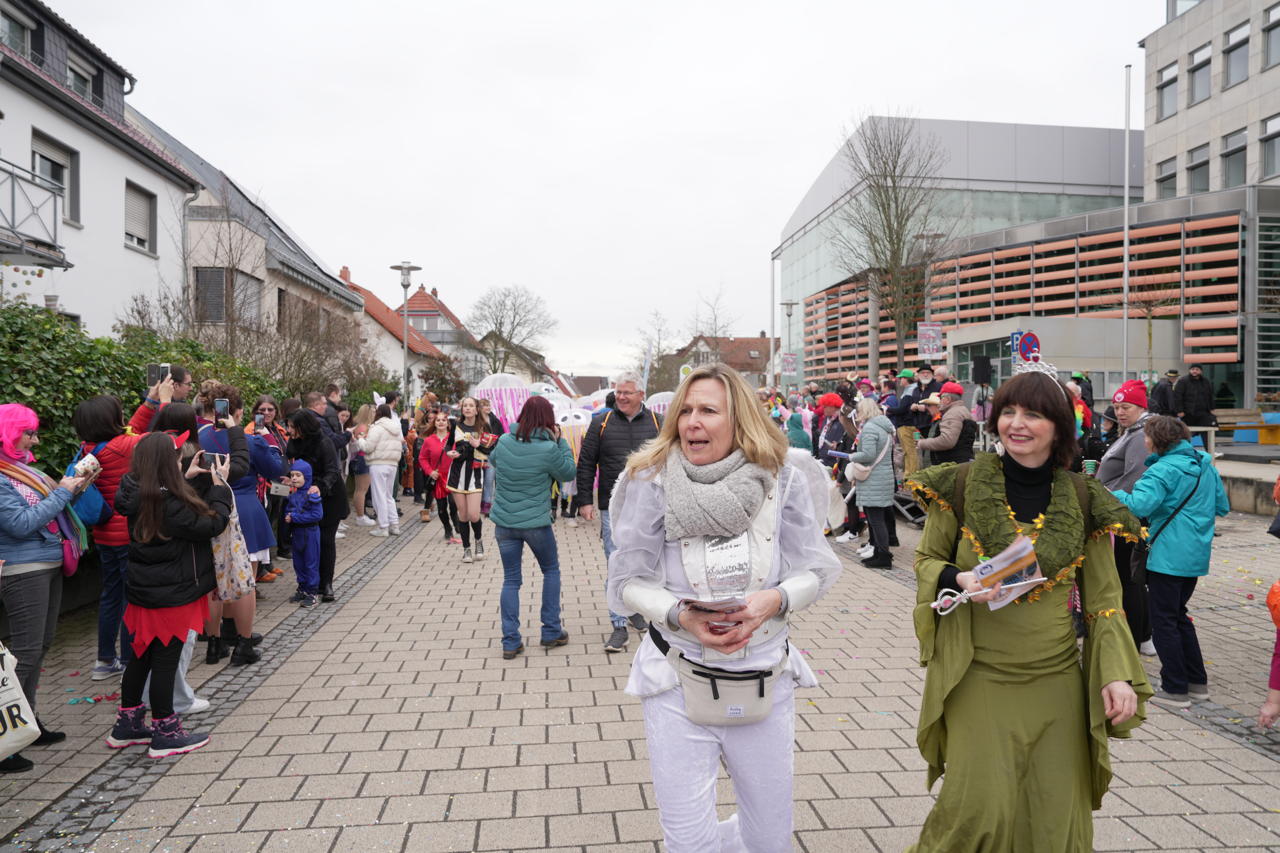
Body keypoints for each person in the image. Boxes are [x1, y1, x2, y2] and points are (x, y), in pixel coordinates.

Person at [905, 370, 1150, 851]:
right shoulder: (958, 484)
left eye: (1033, 414)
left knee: (1055, 815)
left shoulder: (1086, 500)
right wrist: (960, 578)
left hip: (1056, 682)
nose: (1017, 424)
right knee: (975, 813)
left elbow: (1104, 603)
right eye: (1008, 412)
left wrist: (1116, 674)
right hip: (978, 677)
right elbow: (925, 560)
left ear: (1059, 426)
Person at [605, 363, 842, 852]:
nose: (693, 421)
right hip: (677, 678)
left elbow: (814, 570)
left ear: (740, 419)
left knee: (769, 832)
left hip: (764, 678)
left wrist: (773, 600)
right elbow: (627, 579)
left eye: (709, 410)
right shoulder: (650, 481)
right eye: (685, 410)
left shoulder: (784, 477)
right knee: (688, 839)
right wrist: (680, 615)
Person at [109, 433, 232, 758]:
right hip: (170, 593)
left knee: (142, 658)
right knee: (164, 662)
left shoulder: (139, 490)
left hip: (144, 592)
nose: (181, 459)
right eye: (176, 457)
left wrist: (184, 478)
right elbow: (212, 524)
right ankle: (165, 731)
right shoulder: (168, 502)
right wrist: (220, 489)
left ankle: (128, 725)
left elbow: (168, 500)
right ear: (166, 462)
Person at [1110, 416, 1228, 708]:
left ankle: (1175, 688)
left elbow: (1139, 505)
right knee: (1178, 616)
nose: (1145, 442)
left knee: (1164, 620)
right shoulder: (1204, 465)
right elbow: (1222, 506)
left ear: (1158, 440)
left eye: (1147, 437)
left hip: (1167, 556)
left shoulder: (1162, 470)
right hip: (1196, 554)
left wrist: (1109, 493)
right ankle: (1196, 683)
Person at [0, 404, 91, 772]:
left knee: (40, 646)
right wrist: (63, 493)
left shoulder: (23, 471)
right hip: (23, 570)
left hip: (47, 565)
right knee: (25, 651)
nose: (35, 439)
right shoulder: (4, 478)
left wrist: (76, 488)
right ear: (8, 433)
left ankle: (28, 723)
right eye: (29, 433)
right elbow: (21, 524)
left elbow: (53, 510)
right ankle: (7, 740)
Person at [73, 389, 168, 681]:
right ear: (112, 419)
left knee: (111, 594)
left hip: (103, 535)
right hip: (127, 534)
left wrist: (150, 402)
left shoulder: (89, 448)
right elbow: (157, 440)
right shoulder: (126, 446)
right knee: (132, 597)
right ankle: (129, 658)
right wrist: (163, 405)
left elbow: (134, 429)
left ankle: (104, 660)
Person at [574, 372, 661, 653]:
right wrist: (583, 500)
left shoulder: (658, 423)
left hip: (649, 507)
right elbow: (586, 463)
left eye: (627, 392)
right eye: (618, 392)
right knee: (616, 562)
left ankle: (636, 609)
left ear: (641, 395)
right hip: (612, 507)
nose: (621, 397)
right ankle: (618, 625)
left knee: (646, 563)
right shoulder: (602, 422)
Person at [487, 397, 577, 659]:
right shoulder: (550, 448)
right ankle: (550, 631)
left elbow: (493, 461)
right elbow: (568, 473)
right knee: (550, 570)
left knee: (511, 580)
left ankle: (510, 641)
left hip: (504, 522)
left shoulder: (504, 441)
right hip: (536, 523)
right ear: (548, 420)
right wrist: (561, 442)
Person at [196, 384, 278, 665]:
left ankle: (215, 642)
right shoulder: (246, 440)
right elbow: (276, 469)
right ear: (238, 413)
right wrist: (265, 437)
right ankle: (243, 643)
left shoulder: (195, 438)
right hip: (243, 507)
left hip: (207, 506)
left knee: (213, 580)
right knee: (245, 581)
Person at [1096, 380, 1156, 656]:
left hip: (1126, 516)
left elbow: (1134, 477)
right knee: (1129, 577)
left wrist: (1104, 493)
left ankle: (1136, 637)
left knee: (1128, 577)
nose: (1119, 412)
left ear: (1140, 407)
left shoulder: (1141, 434)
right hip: (1121, 511)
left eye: (1126, 407)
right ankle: (1141, 635)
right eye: (1117, 407)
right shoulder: (1131, 431)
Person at [285, 409, 349, 602]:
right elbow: (291, 465)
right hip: (304, 499)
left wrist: (319, 486)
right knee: (308, 543)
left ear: (302, 427)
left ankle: (326, 584)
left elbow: (332, 470)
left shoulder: (323, 442)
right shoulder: (294, 443)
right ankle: (308, 584)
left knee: (326, 540)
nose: (288, 430)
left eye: (291, 426)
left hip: (329, 497)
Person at [848, 397, 896, 569]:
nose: (857, 414)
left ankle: (883, 556)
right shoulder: (885, 427)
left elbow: (868, 454)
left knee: (875, 519)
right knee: (878, 517)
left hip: (873, 478)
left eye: (859, 410)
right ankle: (879, 552)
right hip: (883, 477)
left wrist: (851, 456)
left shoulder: (869, 428)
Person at [446, 397, 495, 562]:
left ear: (476, 409)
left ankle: (479, 541)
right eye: (465, 405)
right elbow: (449, 445)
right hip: (457, 473)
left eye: (470, 406)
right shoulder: (455, 426)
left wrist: (477, 446)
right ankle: (466, 549)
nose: (467, 408)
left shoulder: (483, 427)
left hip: (475, 473)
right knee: (464, 514)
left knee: (474, 514)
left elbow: (491, 450)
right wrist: (449, 453)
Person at [283, 460, 323, 607]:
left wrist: (294, 517)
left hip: (310, 533)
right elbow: (289, 508)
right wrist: (288, 515)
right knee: (298, 562)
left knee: (311, 562)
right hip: (297, 533)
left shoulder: (312, 494)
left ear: (306, 477)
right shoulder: (293, 495)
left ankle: (312, 592)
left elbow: (317, 515)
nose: (294, 478)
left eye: (298, 475)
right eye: (292, 475)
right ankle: (303, 588)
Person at [362, 403, 404, 537]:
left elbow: (368, 447)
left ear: (378, 413)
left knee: (378, 495)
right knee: (388, 496)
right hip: (392, 464)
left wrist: (359, 440)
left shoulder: (377, 427)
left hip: (378, 463)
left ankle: (383, 527)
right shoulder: (395, 427)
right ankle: (394, 525)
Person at [420, 409, 461, 543]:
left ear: (448, 423)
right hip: (438, 477)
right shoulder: (429, 440)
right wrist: (430, 471)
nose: (441, 422)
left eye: (444, 420)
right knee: (442, 508)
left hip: (452, 476)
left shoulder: (454, 438)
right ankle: (447, 528)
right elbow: (422, 458)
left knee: (453, 504)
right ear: (434, 423)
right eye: (438, 420)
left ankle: (456, 522)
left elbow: (461, 455)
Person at [916, 382, 976, 467]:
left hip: (953, 465)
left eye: (941, 398)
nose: (939, 402)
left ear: (947, 399)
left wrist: (922, 443)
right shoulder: (962, 410)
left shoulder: (952, 414)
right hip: (962, 462)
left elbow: (947, 441)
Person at [887, 369, 921, 476]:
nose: (900, 380)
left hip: (906, 425)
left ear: (907, 379)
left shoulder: (910, 391)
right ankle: (909, 476)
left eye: (901, 378)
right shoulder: (911, 390)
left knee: (909, 452)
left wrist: (888, 409)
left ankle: (910, 477)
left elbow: (902, 410)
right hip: (907, 425)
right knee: (909, 451)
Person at [347, 404, 375, 526]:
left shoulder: (363, 426)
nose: (375, 414)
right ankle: (360, 516)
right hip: (362, 458)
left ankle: (361, 515)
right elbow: (361, 443)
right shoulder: (363, 427)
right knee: (361, 490)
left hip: (362, 458)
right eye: (373, 412)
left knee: (361, 489)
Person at [477, 397, 506, 515]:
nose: (488, 408)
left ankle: (487, 505)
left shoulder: (494, 420)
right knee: (479, 481)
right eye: (485, 405)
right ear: (480, 408)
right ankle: (478, 503)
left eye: (489, 405)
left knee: (489, 481)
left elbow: (502, 435)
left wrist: (495, 442)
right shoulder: (476, 421)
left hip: (491, 455)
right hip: (478, 454)